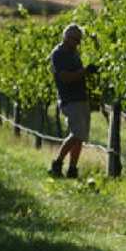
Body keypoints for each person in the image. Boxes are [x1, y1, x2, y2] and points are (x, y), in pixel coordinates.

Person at [48, 23, 97, 179]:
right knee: (76, 134)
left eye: (79, 40)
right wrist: (84, 71)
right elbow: (65, 77)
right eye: (75, 39)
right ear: (66, 37)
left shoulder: (74, 53)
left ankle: (72, 169)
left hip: (81, 98)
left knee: (80, 136)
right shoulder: (59, 54)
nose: (78, 43)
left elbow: (78, 75)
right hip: (70, 99)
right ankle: (57, 163)